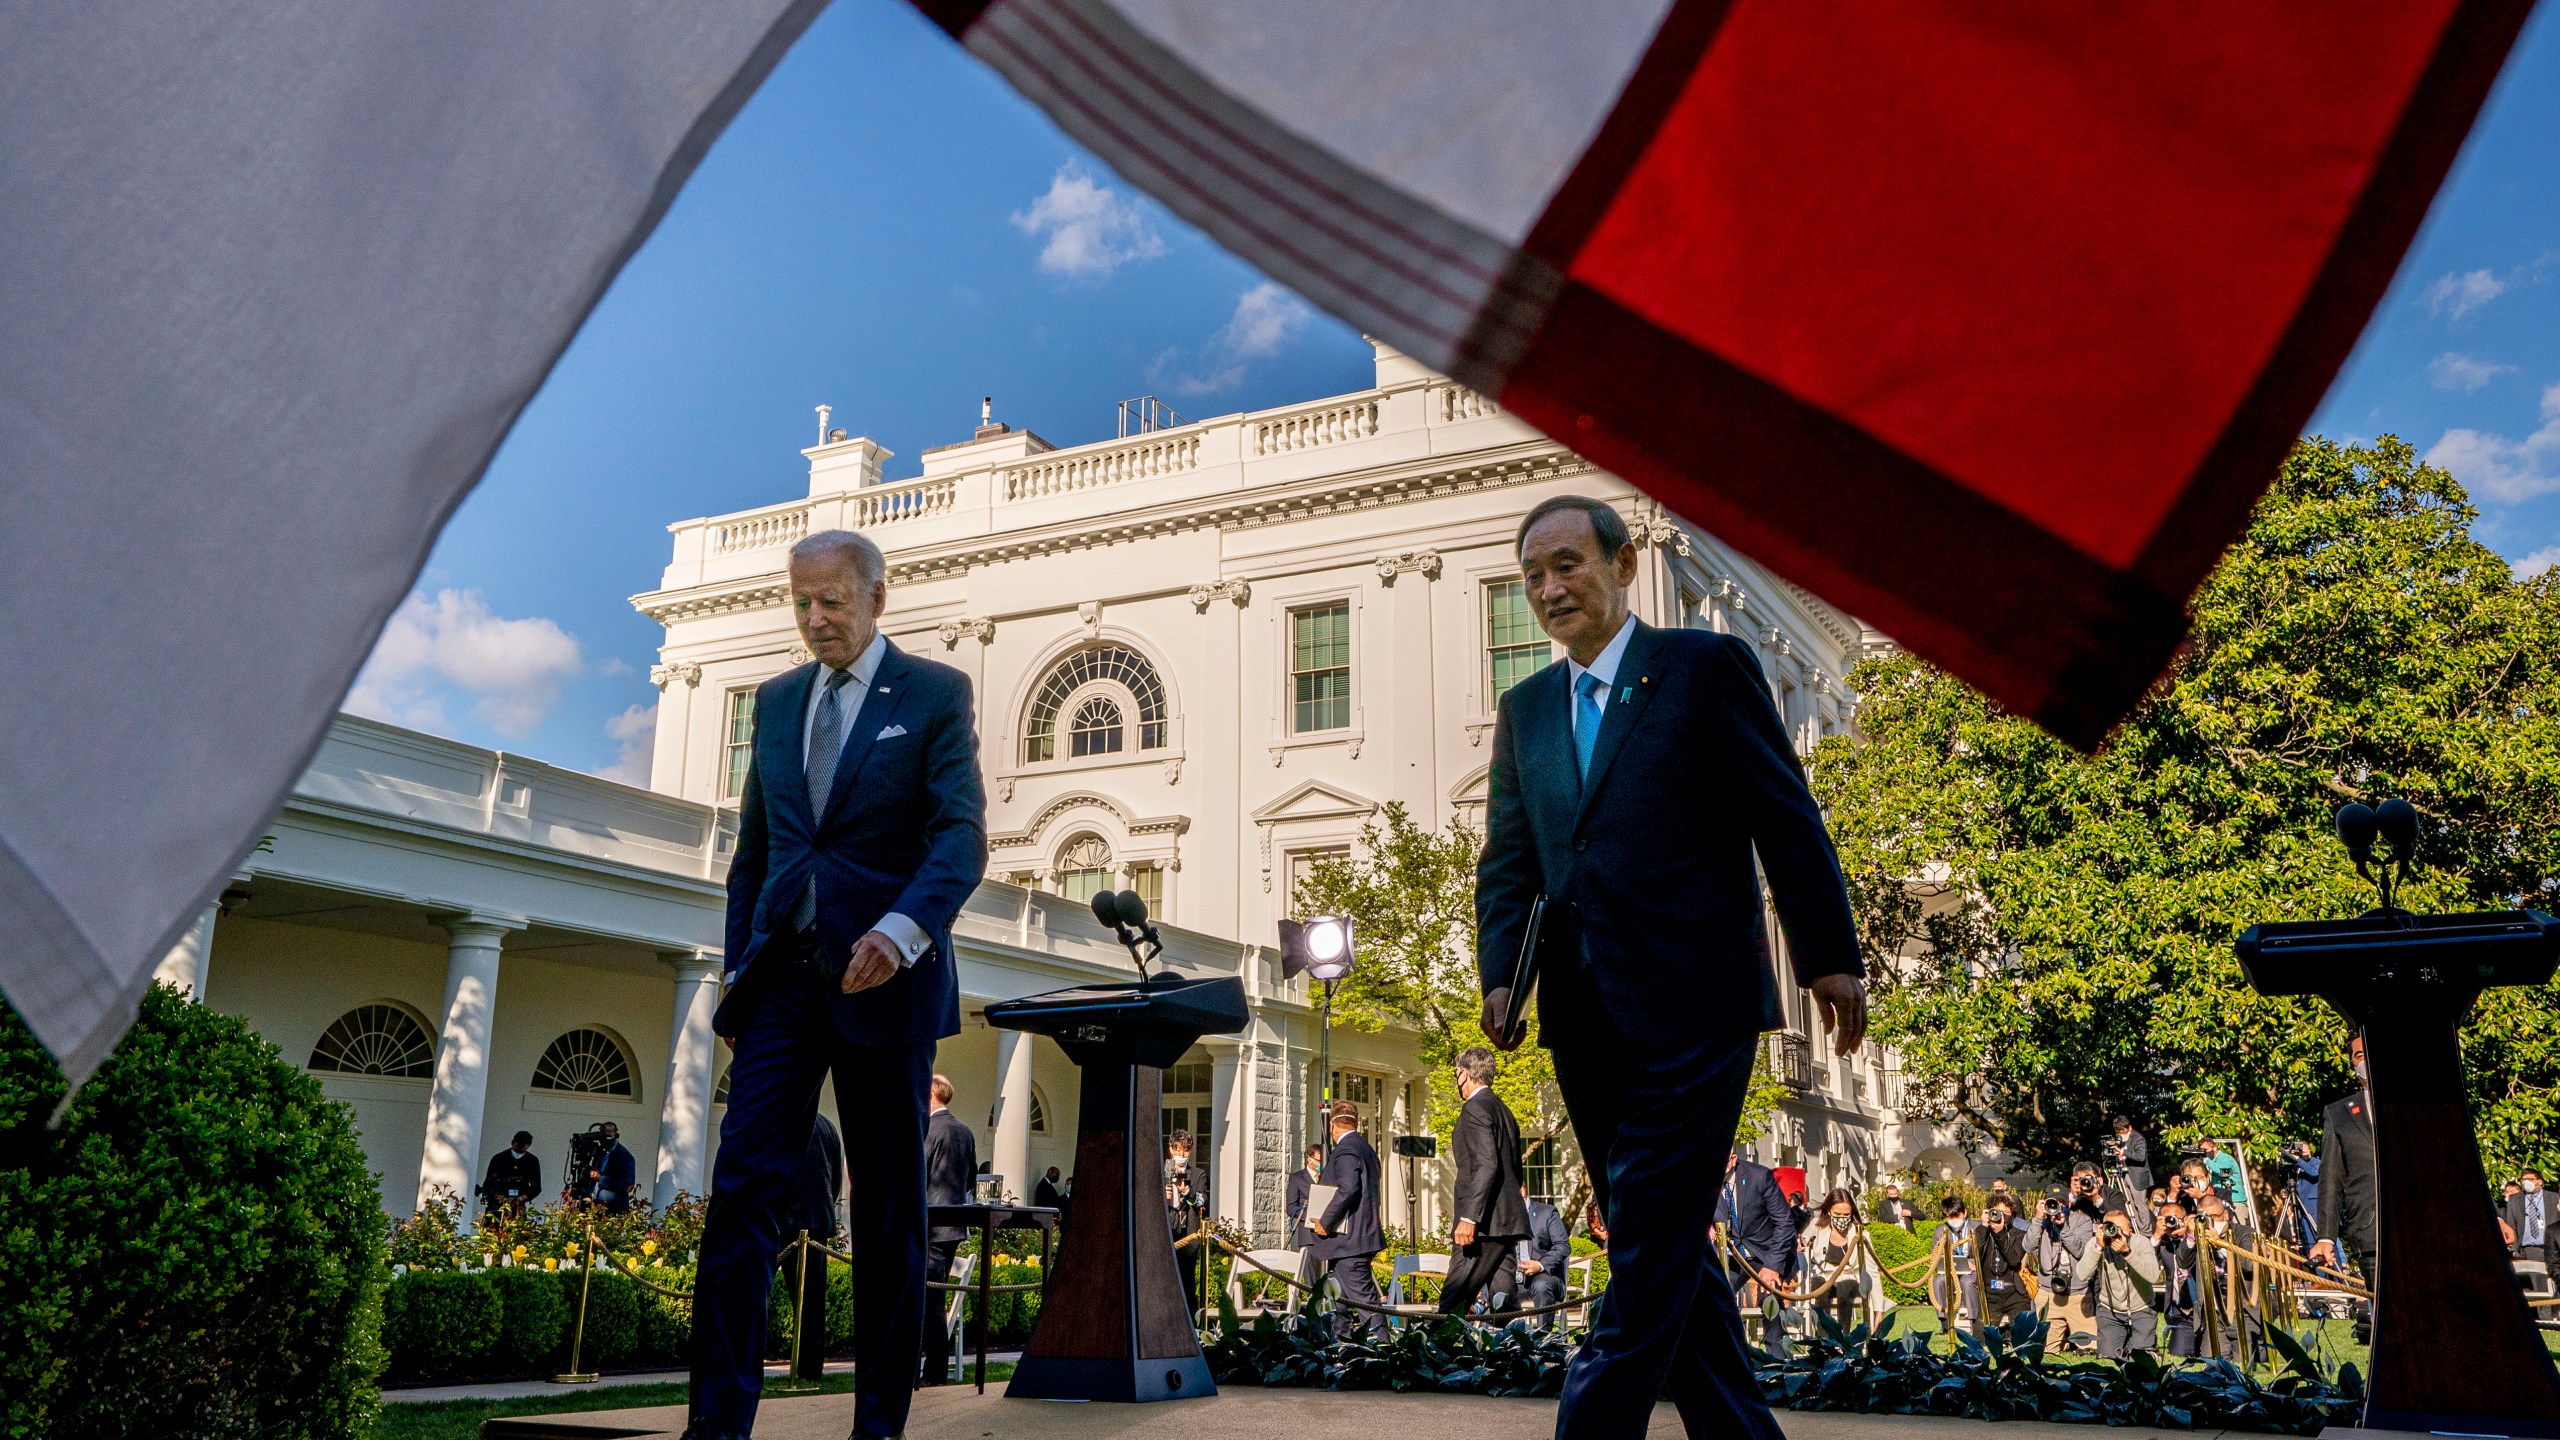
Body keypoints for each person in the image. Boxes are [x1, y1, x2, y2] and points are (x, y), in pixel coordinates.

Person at [1475, 495, 1866, 1440]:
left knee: (1646, 1243)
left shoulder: (1701, 667)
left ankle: (1591, 1427)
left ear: (1623, 567)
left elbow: (1784, 813)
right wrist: (1500, 977)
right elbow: (1509, 861)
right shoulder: (1526, 709)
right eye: (1533, 576)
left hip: (1699, 1007)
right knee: (1666, 1249)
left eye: (1567, 564)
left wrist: (1827, 954)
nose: (1548, 588)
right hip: (1581, 1014)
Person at [683, 529, 987, 1440]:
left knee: (889, 1212)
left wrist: (901, 934)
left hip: (885, 984)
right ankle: (716, 1425)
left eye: (833, 602)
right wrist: (741, 969)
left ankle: (878, 1427)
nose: (815, 620)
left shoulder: (934, 694)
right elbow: (758, 853)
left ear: (877, 599)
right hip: (782, 982)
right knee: (742, 1192)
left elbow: (960, 838)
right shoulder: (776, 703)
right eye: (802, 602)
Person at [1442, 1046, 1531, 1316]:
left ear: (1464, 1075)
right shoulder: (1503, 1110)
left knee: (1453, 1298)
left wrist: (1469, 1217)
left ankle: (1432, 1353)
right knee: (1504, 1301)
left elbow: (1486, 1164)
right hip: (1505, 1221)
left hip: (1483, 1225)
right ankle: (1510, 1354)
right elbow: (1514, 1167)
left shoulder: (1474, 1109)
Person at [2310, 1033, 2379, 1319]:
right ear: (2352, 1064)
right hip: (2371, 1230)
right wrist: (2326, 1236)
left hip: (2425, 1230)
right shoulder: (2339, 1112)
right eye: (2358, 1055)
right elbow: (2331, 1177)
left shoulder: (2415, 1105)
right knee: (2388, 1317)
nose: (2365, 1059)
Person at [1306, 1100, 1385, 1339]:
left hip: (1350, 1242)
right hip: (1357, 1239)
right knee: (1339, 1301)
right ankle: (1341, 1347)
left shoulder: (1346, 1149)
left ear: (1332, 1126)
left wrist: (1325, 1221)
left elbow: (1348, 1189)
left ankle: (1387, 1350)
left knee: (1365, 1302)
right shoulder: (1366, 1148)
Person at [919, 1074, 976, 1388]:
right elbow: (970, 1179)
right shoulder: (964, 1131)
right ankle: (933, 1370)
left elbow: (919, 1173)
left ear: (930, 1094)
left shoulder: (929, 1127)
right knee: (933, 1300)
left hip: (930, 1226)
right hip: (954, 1226)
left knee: (929, 1302)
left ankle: (933, 1372)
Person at [1716, 1147, 1800, 1357]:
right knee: (1715, 1298)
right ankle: (1731, 1359)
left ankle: (1778, 1365)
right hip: (1731, 1256)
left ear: (1733, 1159)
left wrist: (1773, 1267)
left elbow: (1784, 1222)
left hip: (1766, 1253)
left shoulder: (1759, 1177)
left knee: (1770, 1301)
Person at [783, 1112, 846, 1383]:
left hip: (781, 1217)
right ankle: (810, 1368)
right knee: (812, 1300)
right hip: (817, 1218)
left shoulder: (780, 1116)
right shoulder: (826, 1126)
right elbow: (836, 1178)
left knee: (754, 1292)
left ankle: (746, 1365)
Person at [2070, 1210, 2162, 1359]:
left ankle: (2147, 1345)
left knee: (2139, 1360)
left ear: (2130, 1230)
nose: (2115, 1232)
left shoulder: (2140, 1242)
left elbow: (2153, 1276)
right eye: (2111, 1227)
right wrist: (2098, 1248)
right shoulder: (2096, 1244)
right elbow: (2082, 1275)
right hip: (2110, 1310)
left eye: (2121, 1228)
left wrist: (2128, 1252)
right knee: (2108, 1357)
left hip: (2141, 1308)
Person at [1796, 1189, 1883, 1334]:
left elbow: (1873, 1272)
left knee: (1844, 1287)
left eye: (1846, 1215)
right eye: (1837, 1214)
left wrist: (1879, 1311)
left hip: (1850, 1278)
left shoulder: (1861, 1234)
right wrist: (1799, 1244)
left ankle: (1844, 1339)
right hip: (1824, 1277)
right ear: (1829, 1211)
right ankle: (1823, 1340)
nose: (1841, 1218)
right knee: (1819, 1287)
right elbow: (1801, 1241)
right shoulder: (1816, 1227)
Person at [2033, 1182, 2096, 1355]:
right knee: (2047, 1352)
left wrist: (2063, 1228)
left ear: (2068, 1203)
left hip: (2077, 1294)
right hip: (2049, 1294)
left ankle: (2072, 1341)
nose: (2056, 1207)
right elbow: (2028, 1246)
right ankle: (2064, 1342)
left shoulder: (2082, 1220)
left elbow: (2081, 1251)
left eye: (2060, 1202)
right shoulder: (2041, 1222)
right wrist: (2038, 1219)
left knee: (2091, 1349)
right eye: (2052, 1203)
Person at [1164, 1129, 1209, 1315]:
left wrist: (1186, 1191)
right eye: (1178, 1150)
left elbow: (1202, 1201)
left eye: (1185, 1150)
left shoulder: (1198, 1174)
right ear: (1170, 1149)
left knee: (1187, 1282)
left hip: (1189, 1235)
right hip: (1166, 1232)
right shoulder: (1161, 1171)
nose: (1181, 1155)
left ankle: (1192, 1322)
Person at [1976, 1195, 2034, 1334]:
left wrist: (2000, 1234)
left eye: (2006, 1213)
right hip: (1990, 1293)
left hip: (2015, 1292)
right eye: (1997, 1212)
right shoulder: (1982, 1232)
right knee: (1980, 1339)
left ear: (2013, 1216)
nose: (2001, 1216)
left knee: (2023, 1336)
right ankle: (2004, 1334)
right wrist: (1984, 1227)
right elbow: (1975, 1253)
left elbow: (2013, 1259)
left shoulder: (2020, 1234)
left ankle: (2008, 1334)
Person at [1929, 1197, 1984, 1335]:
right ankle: (1945, 1323)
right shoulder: (1940, 1230)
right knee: (1938, 1281)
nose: (1952, 1220)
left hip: (1973, 1271)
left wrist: (1975, 1265)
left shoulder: (1977, 1228)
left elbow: (1986, 1253)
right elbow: (1934, 1256)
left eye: (1955, 1216)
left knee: (1967, 1282)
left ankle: (1974, 1322)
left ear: (1964, 1213)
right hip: (1951, 1270)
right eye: (1948, 1217)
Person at [1520, 1184, 1574, 1318]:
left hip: (1544, 1277)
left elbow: (1563, 1246)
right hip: (1515, 1280)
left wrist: (1539, 1265)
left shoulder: (1547, 1213)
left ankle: (1542, 1337)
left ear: (1522, 1189)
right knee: (1496, 1286)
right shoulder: (1503, 1215)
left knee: (1541, 1285)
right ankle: (1498, 1337)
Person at [480, 1130, 540, 1218]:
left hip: (518, 1206)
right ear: (512, 1142)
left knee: (518, 1230)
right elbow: (488, 1184)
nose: (519, 1151)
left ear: (528, 1146)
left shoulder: (532, 1161)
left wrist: (520, 1199)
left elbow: (536, 1187)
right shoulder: (498, 1159)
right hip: (497, 1206)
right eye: (517, 1147)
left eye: (522, 1148)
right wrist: (500, 1198)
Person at [583, 1122, 636, 1214]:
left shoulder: (624, 1156)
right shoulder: (600, 1151)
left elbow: (628, 1185)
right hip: (592, 1206)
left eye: (610, 1132)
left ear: (616, 1134)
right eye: (604, 1132)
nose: (607, 1135)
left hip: (611, 1209)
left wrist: (601, 1178)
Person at [2504, 1169, 2550, 1267]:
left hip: (2550, 1249)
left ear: (2540, 1181)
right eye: (2523, 1180)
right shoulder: (2514, 1199)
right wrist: (2514, 1250)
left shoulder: (2554, 1198)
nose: (2526, 1182)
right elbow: (2511, 1225)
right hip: (2526, 1250)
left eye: (2530, 1179)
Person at [1285, 1142, 1324, 1251]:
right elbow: (1291, 1208)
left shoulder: (1328, 1178)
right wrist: (1310, 1215)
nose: (1321, 1164)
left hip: (1328, 1236)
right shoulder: (1297, 1178)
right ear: (1309, 1159)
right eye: (1318, 1161)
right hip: (1308, 1237)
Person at [2104, 1116, 2154, 1198]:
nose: (2120, 1135)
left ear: (2129, 1128)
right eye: (2118, 1132)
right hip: (2123, 1174)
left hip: (2136, 1177)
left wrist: (2123, 1152)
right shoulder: (2118, 1138)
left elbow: (2140, 1157)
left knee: (2140, 1205)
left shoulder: (2138, 1138)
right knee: (2128, 1202)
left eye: (2123, 1131)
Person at [2198, 1136, 2243, 1206]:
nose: (2204, 1153)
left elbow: (2223, 1172)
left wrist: (2206, 1160)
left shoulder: (2225, 1158)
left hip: (2235, 1201)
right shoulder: (2212, 1163)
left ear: (2214, 1148)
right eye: (2202, 1151)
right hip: (2221, 1201)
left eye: (2205, 1150)